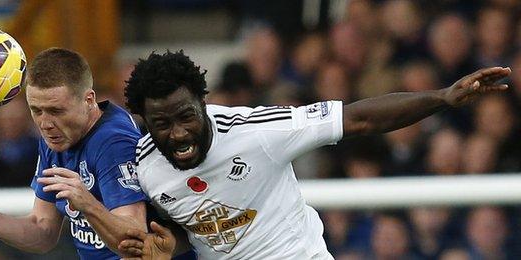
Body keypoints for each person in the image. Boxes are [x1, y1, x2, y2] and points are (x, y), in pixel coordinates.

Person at [118, 50, 510, 259]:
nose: (179, 133)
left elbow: (358, 119)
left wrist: (442, 97)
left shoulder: (258, 131)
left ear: (203, 102)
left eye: (186, 116)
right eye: (162, 124)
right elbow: (191, 228)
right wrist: (169, 244)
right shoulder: (146, 165)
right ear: (145, 121)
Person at [0, 48, 148, 259]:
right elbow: (43, 231)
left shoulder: (113, 142)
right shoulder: (56, 137)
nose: (45, 123)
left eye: (56, 111)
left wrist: (88, 203)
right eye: (36, 110)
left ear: (89, 100)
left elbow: (135, 240)